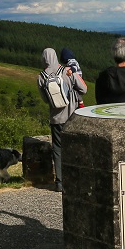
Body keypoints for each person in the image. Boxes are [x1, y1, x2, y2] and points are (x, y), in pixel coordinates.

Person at [38, 47, 87, 192]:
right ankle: (76, 178)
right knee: (76, 147)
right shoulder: (67, 71)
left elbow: (45, 99)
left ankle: (60, 182)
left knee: (58, 150)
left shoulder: (41, 77)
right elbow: (84, 89)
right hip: (72, 115)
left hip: (56, 118)